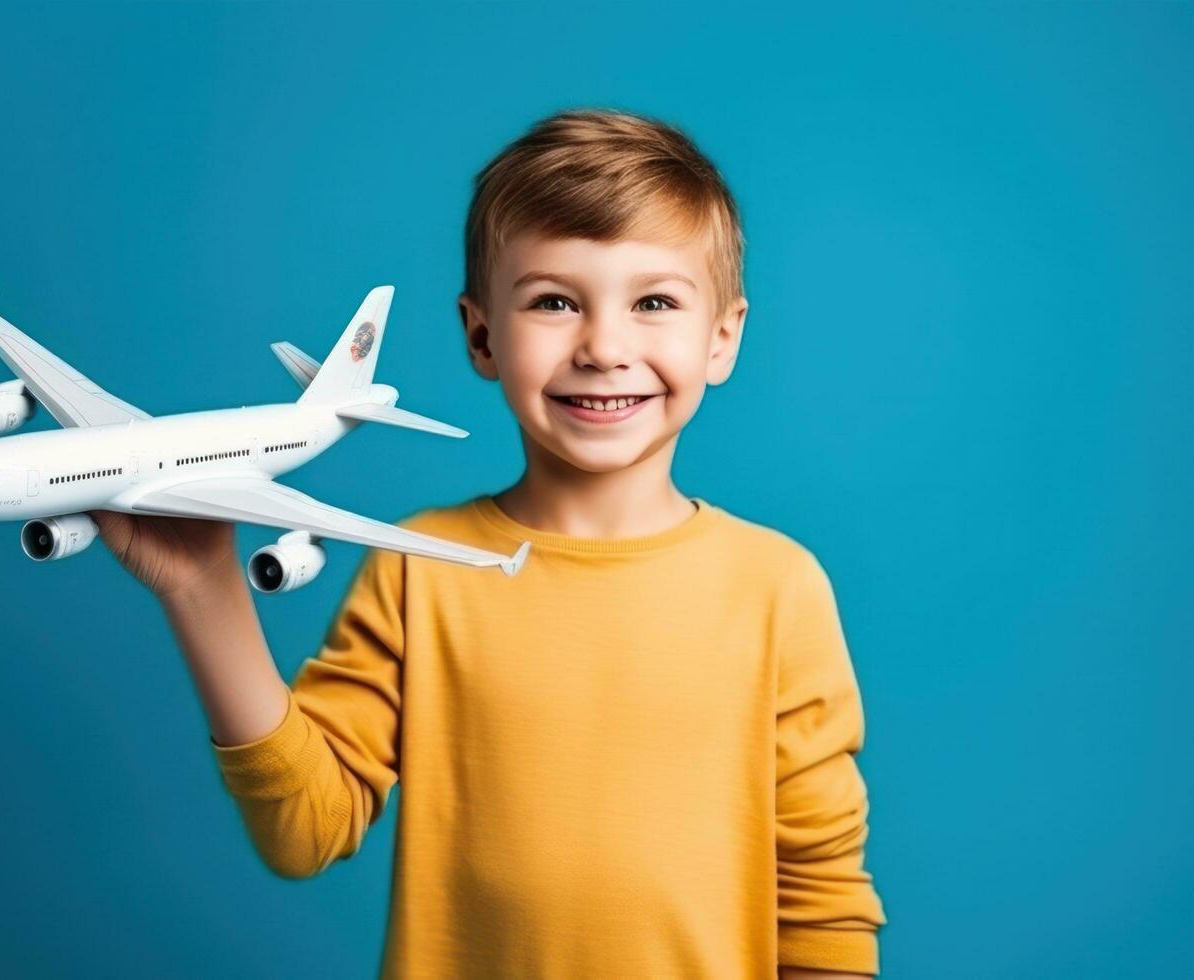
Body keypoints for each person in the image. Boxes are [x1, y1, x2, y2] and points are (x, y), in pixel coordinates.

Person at [94, 108, 887, 978]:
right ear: (481, 336)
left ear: (722, 337)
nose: (605, 348)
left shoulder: (777, 588)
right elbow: (302, 832)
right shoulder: (418, 566)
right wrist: (203, 587)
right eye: (554, 302)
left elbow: (821, 905)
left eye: (654, 302)